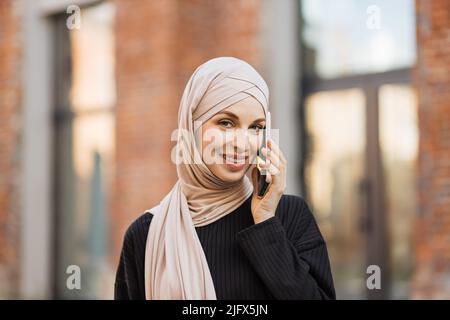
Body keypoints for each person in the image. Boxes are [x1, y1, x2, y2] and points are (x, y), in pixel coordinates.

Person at [114, 57, 335, 300]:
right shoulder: (146, 234)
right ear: (191, 126)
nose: (242, 143)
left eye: (256, 127)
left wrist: (265, 224)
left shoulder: (290, 216)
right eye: (226, 123)